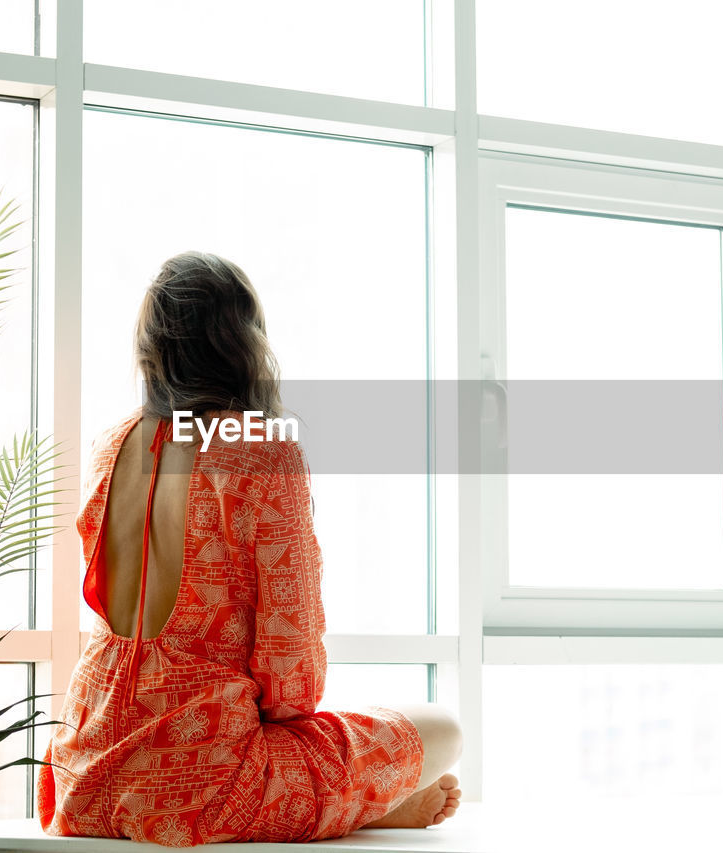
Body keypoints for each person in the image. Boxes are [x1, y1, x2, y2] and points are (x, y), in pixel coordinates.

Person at [36, 251, 462, 846]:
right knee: (443, 729)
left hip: (83, 767)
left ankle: (355, 804)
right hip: (204, 790)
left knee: (344, 742)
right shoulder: (261, 449)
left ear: (152, 349)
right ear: (242, 343)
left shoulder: (112, 445)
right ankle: (359, 804)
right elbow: (292, 681)